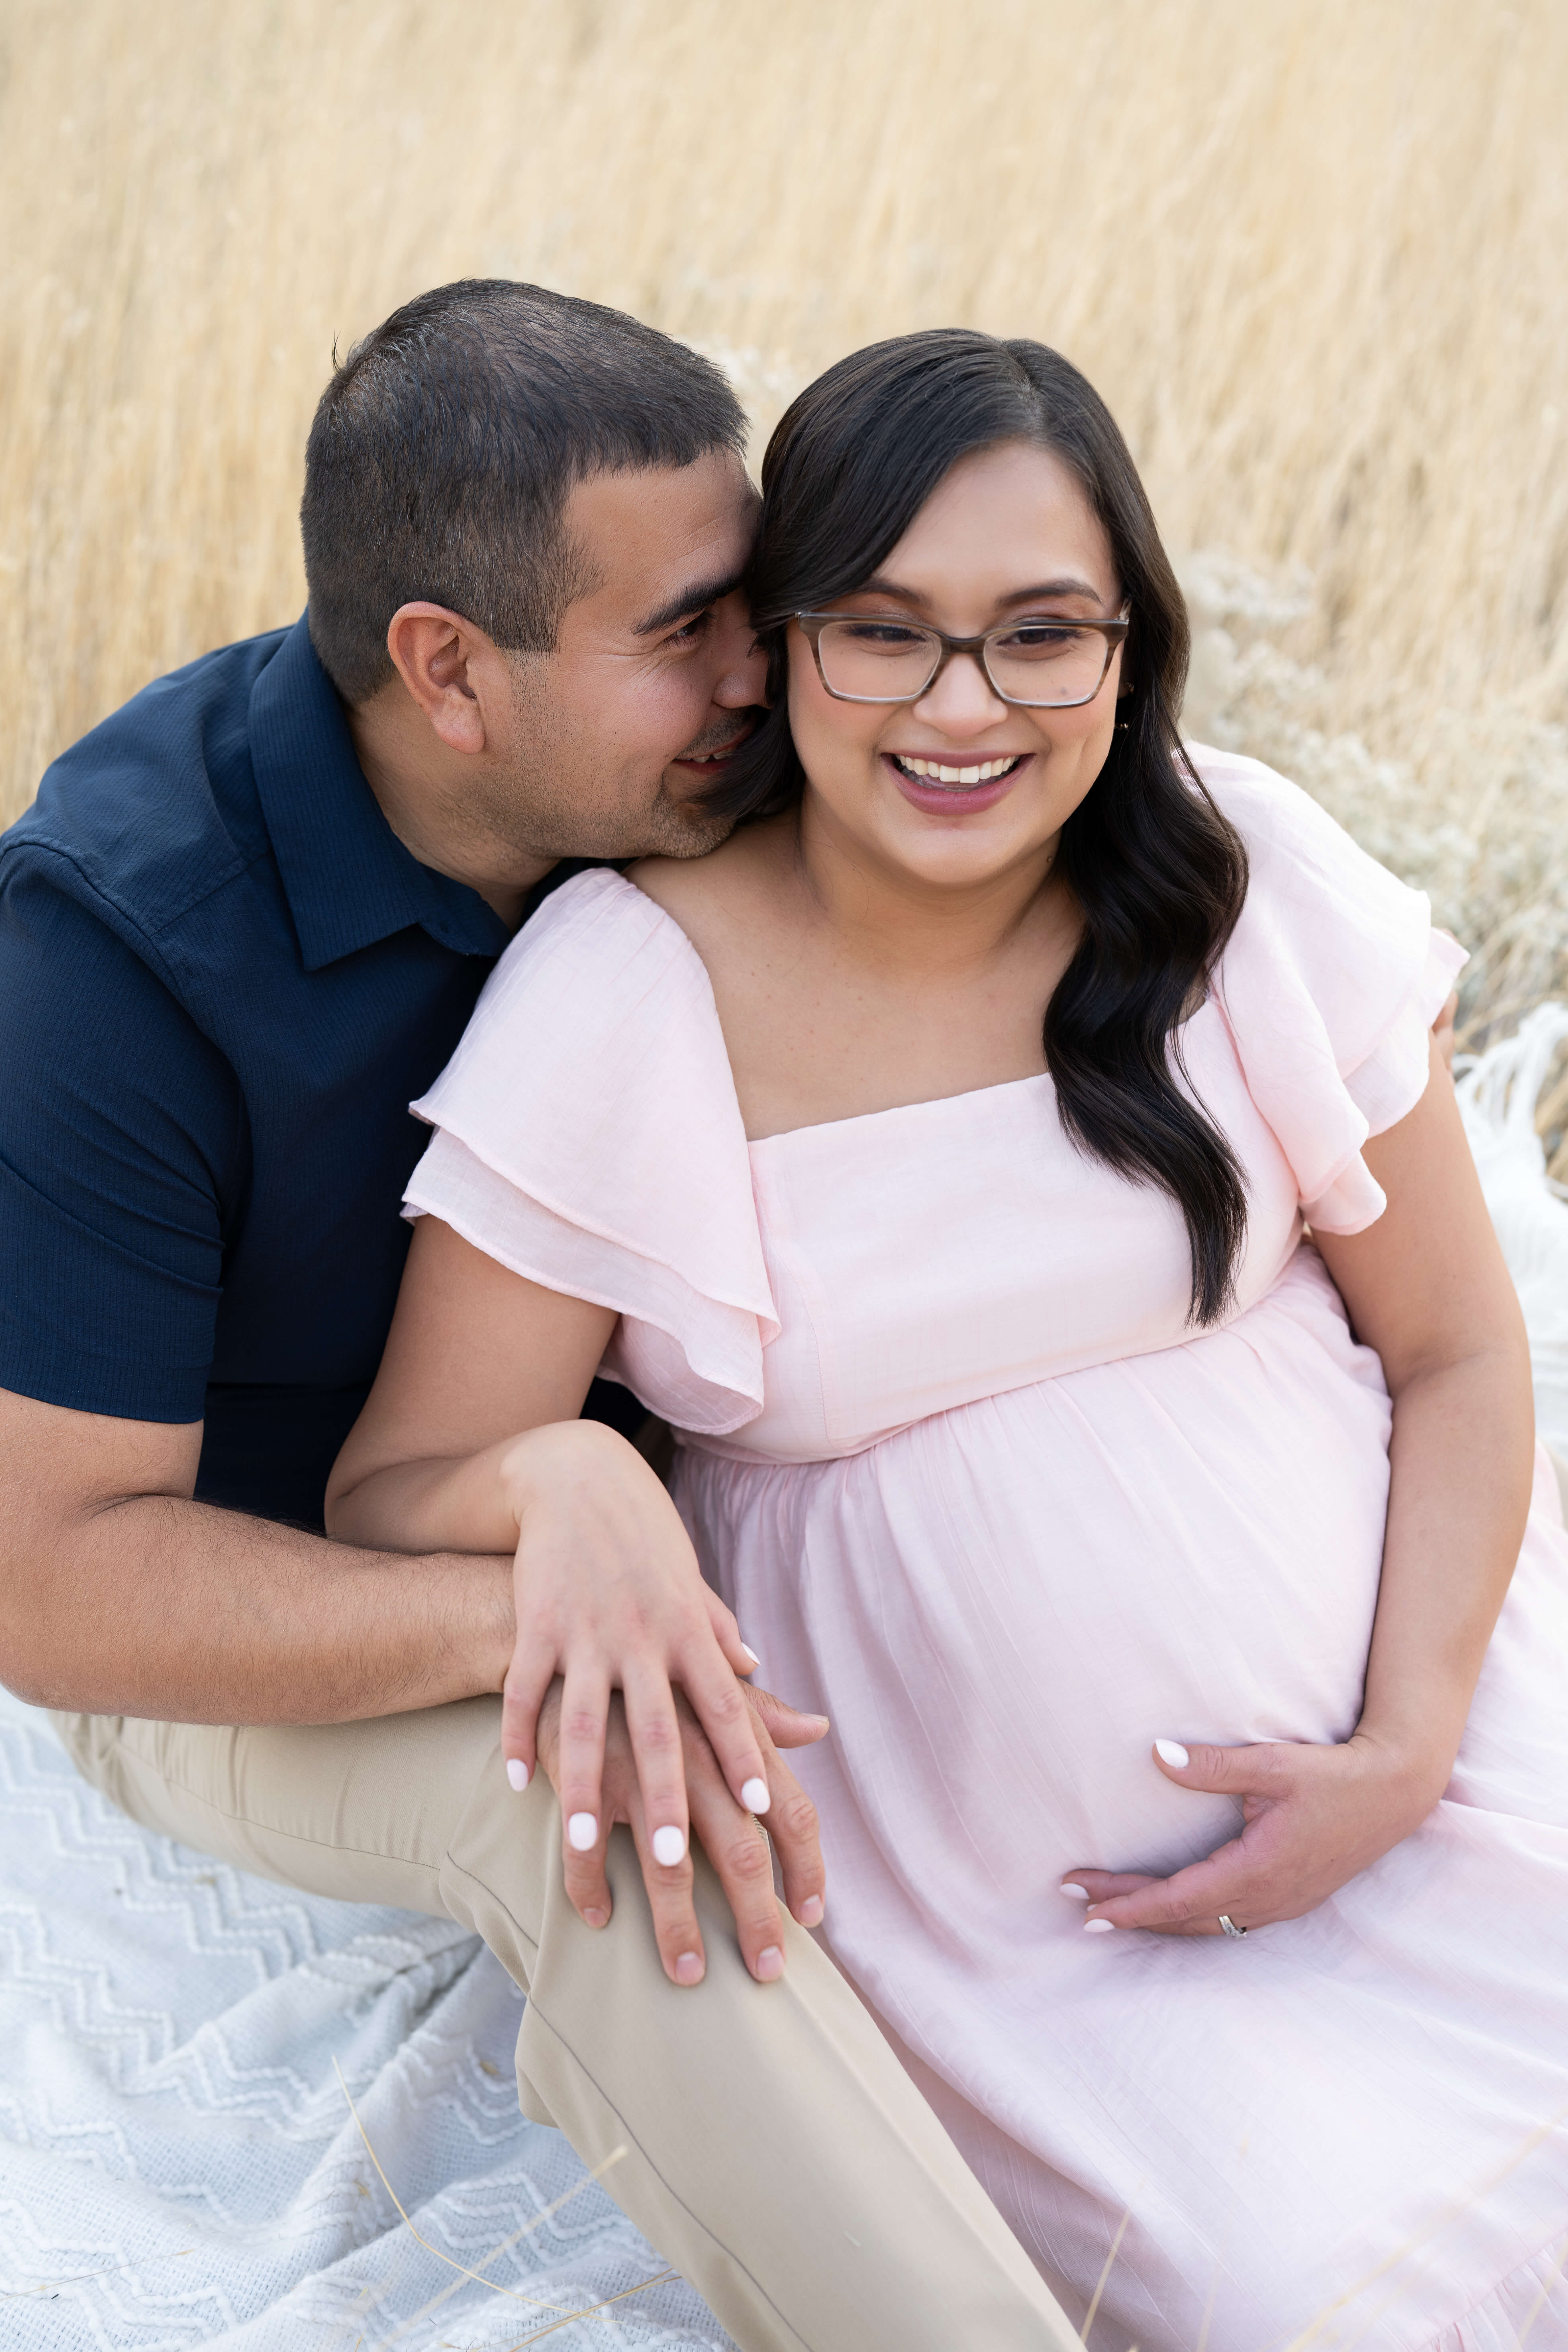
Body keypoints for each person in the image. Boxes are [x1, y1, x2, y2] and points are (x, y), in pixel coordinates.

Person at [330, 330, 1568, 2349]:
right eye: (883, 634)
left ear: (1127, 645)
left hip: (1447, 1744)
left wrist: (1410, 1744)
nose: (962, 708)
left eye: (1039, 634)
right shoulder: (633, 994)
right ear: (779, 648)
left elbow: (1459, 1351)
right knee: (1311, 2296)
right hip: (1020, 1937)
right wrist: (557, 1471)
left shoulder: (1226, 870)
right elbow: (390, 1499)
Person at [0, 284, 1080, 2352]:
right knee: (596, 1772)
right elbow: (49, 1584)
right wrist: (548, 1618)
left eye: (750, 599)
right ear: (448, 673)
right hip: (260, 1627)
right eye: (684, 631)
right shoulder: (113, 952)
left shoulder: (703, 776)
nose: (758, 674)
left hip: (660, 1502)